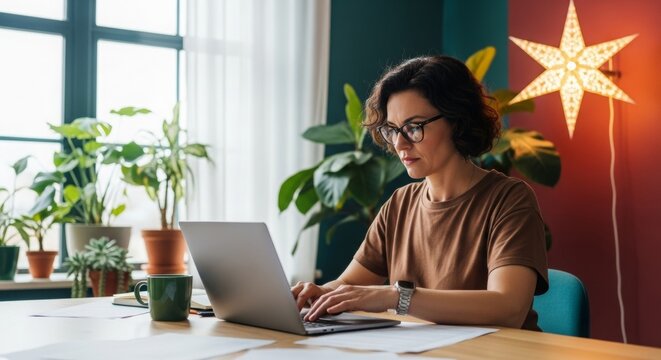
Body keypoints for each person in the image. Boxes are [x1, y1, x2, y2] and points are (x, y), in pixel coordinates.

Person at [291, 55, 548, 330]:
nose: (400, 144)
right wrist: (318, 294)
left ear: (457, 122)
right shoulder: (400, 203)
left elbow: (507, 308)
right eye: (392, 130)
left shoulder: (509, 199)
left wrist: (397, 297)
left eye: (414, 127)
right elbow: (348, 285)